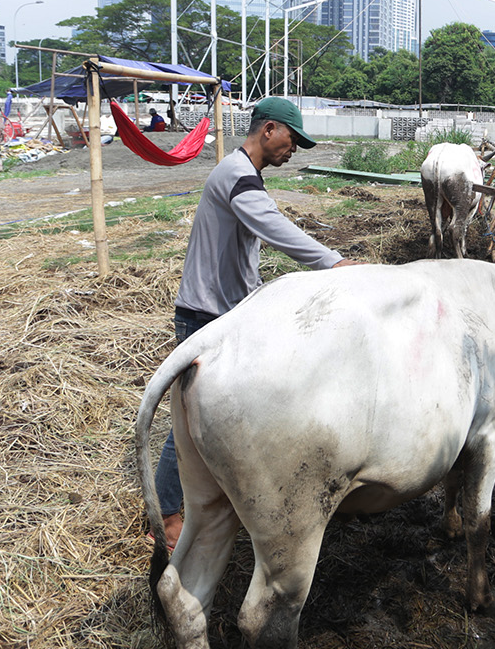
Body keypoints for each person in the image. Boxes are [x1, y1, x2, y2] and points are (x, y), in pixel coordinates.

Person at [153, 96, 359, 548]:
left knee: (217, 416)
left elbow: (251, 250)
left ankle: (217, 493)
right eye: (292, 139)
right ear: (268, 130)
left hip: (225, 310)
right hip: (205, 316)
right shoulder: (238, 176)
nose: (295, 150)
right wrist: (334, 264)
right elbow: (274, 227)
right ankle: (167, 513)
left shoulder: (245, 175)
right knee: (188, 425)